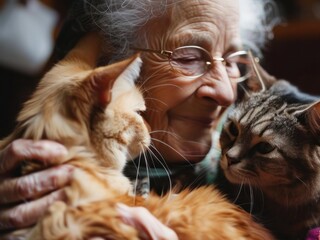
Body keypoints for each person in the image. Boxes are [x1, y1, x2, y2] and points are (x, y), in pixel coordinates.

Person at [0, 0, 279, 238]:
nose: (226, 93)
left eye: (231, 61)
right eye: (188, 57)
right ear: (109, 67)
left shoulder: (276, 170)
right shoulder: (29, 176)